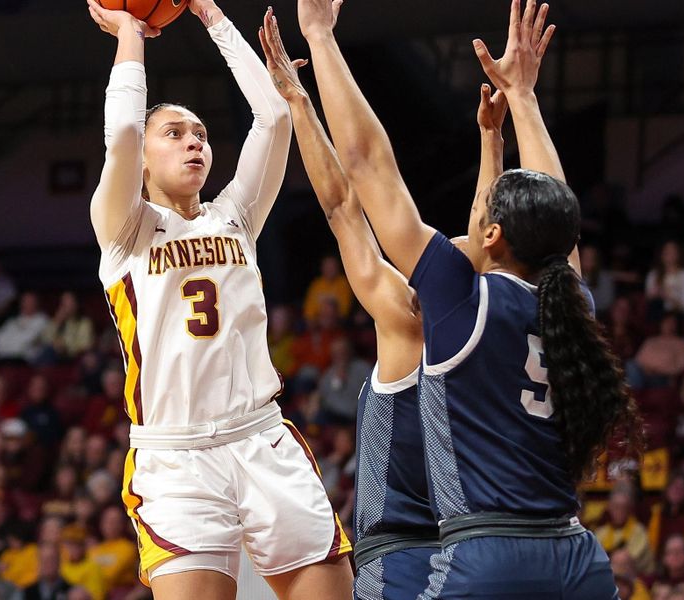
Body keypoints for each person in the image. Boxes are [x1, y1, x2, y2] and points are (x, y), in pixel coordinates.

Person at [298, 0, 643, 597]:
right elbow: (559, 211)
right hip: (577, 556)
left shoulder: (460, 301)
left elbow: (367, 164)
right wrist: (525, 101)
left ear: (493, 236)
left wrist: (321, 38)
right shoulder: (571, 303)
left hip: (490, 557)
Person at [85, 0, 352, 598]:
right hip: (176, 458)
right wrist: (131, 33)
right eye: (173, 134)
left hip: (262, 437)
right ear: (146, 158)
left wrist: (211, 16)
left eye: (201, 134)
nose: (193, 143)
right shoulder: (125, 228)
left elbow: (274, 117)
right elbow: (124, 130)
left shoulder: (235, 217)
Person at [257, 16, 505, 597]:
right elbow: (487, 242)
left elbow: (343, 205)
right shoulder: (496, 331)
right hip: (470, 552)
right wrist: (492, 143)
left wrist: (298, 101)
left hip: (397, 557)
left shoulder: (405, 318)